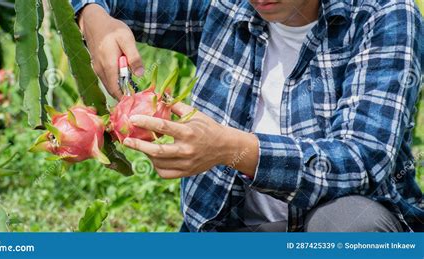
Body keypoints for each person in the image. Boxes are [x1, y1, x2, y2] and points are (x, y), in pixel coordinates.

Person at [71, 0, 423, 232]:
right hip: (233, 232)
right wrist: (94, 16)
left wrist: (230, 149)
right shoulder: (222, 5)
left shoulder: (384, 15)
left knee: (350, 226)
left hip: (332, 230)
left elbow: (363, 159)